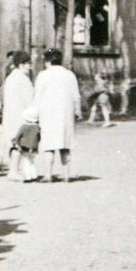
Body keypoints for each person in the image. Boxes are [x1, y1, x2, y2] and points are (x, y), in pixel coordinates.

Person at [34, 48, 81, 183]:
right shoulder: (69, 75)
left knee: (49, 143)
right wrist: (77, 112)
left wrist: (35, 113)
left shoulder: (43, 75)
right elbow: (76, 96)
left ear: (48, 61)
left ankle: (48, 174)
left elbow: (38, 96)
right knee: (65, 143)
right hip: (66, 113)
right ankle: (66, 174)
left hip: (48, 113)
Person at [1, 50, 34, 180]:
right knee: (19, 144)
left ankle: (14, 169)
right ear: (21, 64)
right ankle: (14, 171)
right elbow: (29, 99)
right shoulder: (23, 79)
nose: (30, 67)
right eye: (28, 64)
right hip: (21, 114)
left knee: (14, 142)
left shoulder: (10, 78)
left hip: (10, 114)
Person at [11, 106, 41, 182]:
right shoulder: (37, 127)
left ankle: (28, 177)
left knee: (26, 162)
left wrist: (14, 141)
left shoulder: (24, 127)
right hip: (34, 147)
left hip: (25, 146)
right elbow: (39, 138)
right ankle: (34, 176)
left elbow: (18, 136)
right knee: (32, 162)